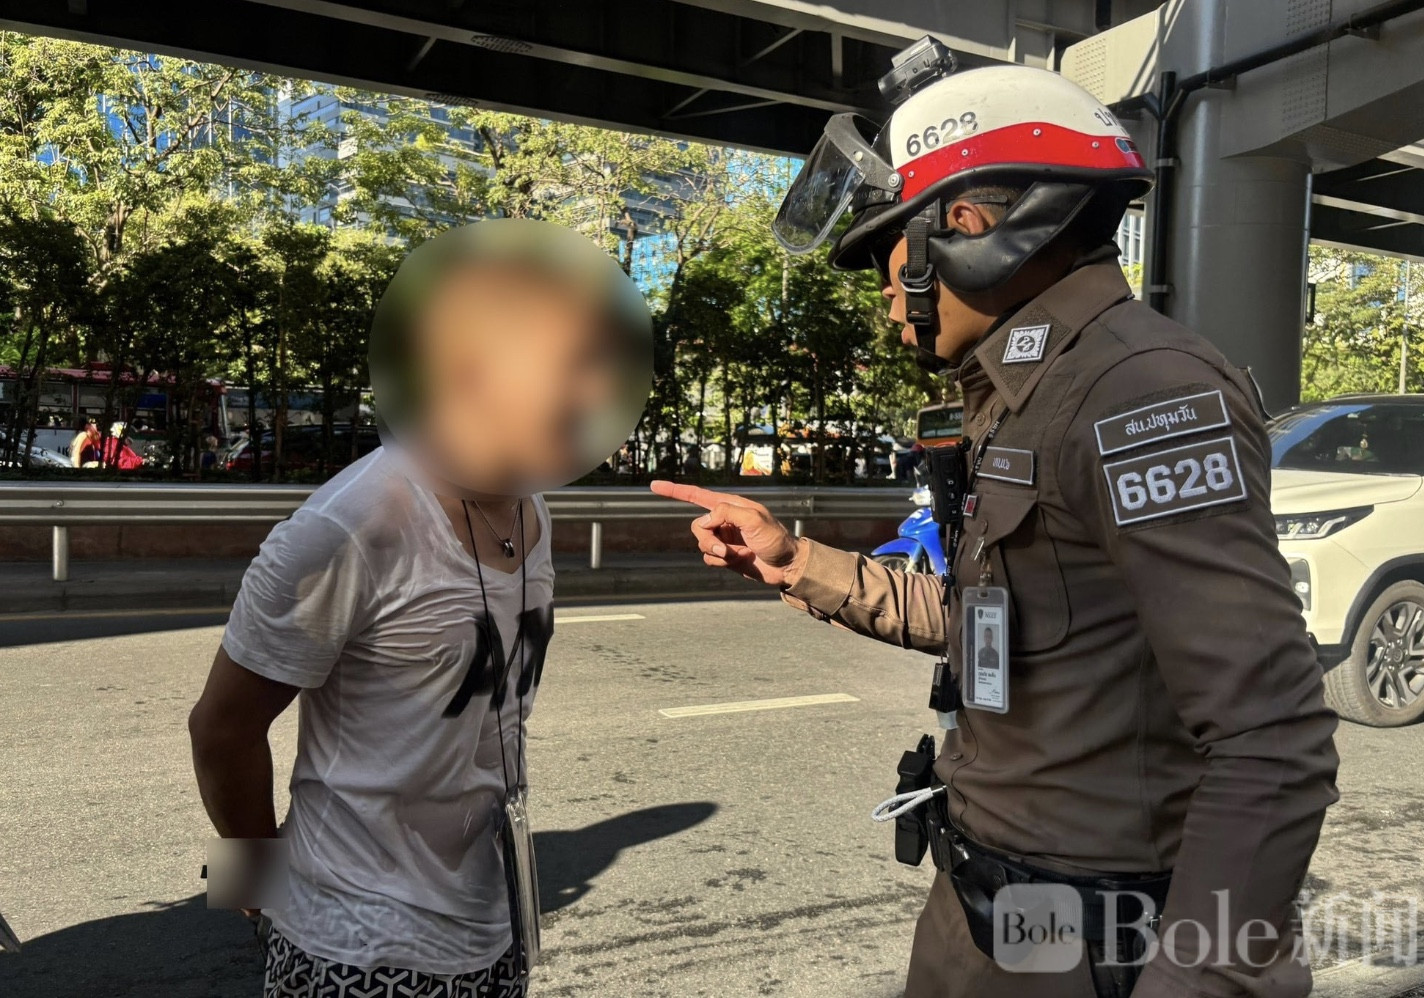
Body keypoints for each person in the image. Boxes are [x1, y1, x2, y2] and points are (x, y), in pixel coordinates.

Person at [653, 38, 1338, 998]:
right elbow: (1000, 627)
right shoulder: (1024, 396)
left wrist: (1201, 981)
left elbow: (1271, 735)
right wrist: (798, 560)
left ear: (967, 227)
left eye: (888, 253)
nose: (884, 289)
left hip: (1090, 945)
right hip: (982, 913)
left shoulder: (1140, 392)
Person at [188, 220, 651, 998]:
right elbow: (219, 727)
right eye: (569, 365)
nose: (596, 393)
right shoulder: (351, 526)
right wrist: (256, 888)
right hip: (351, 954)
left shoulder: (533, 506)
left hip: (491, 925)